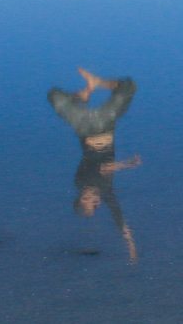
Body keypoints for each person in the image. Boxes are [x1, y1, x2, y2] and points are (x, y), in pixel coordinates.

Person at [47, 68, 142, 262]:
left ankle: (86, 92)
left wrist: (127, 164)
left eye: (90, 202)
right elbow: (118, 215)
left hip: (85, 126)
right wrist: (130, 243)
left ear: (82, 198)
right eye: (96, 205)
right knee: (128, 87)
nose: (96, 201)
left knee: (54, 96)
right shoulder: (105, 191)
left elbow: (103, 168)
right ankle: (92, 86)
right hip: (106, 124)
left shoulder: (81, 181)